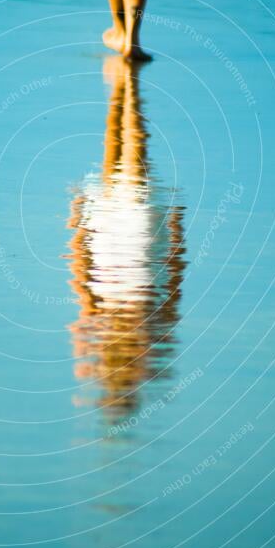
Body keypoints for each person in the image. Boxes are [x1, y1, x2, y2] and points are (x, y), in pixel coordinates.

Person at [66, 56, 186, 416]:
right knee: (119, 146)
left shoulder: (154, 339)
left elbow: (175, 280)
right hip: (118, 234)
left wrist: (177, 225)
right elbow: (79, 273)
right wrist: (77, 221)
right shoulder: (105, 334)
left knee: (128, 145)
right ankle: (126, 85)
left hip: (135, 231)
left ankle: (126, 85)